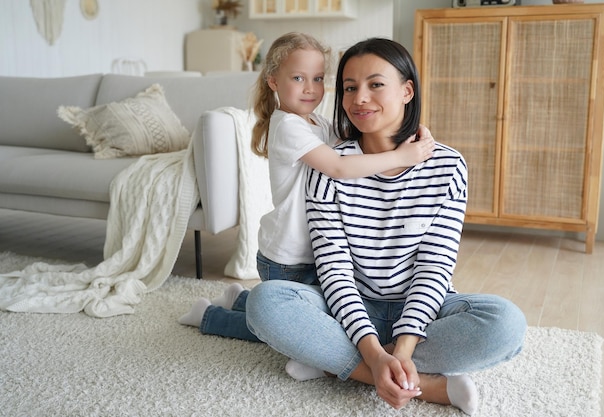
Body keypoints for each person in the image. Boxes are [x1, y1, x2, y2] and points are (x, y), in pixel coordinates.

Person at [245, 38, 527, 415]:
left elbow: (435, 266)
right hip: (345, 306)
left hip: (424, 309)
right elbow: (334, 268)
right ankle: (422, 385)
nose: (360, 98)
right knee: (266, 304)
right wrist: (374, 355)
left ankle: (336, 362)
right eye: (349, 87)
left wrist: (404, 346)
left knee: (506, 323)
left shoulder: (447, 166)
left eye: (376, 84)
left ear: (407, 90)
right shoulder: (329, 164)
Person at [178, 34, 434, 343]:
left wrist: (410, 131)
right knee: (291, 326)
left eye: (317, 78)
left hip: (313, 250)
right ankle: (210, 316)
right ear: (273, 80)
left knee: (311, 310)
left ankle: (238, 300)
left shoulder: (316, 121)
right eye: (298, 78)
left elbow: (354, 141)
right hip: (289, 256)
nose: (310, 88)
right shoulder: (288, 125)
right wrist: (400, 156)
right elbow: (338, 167)